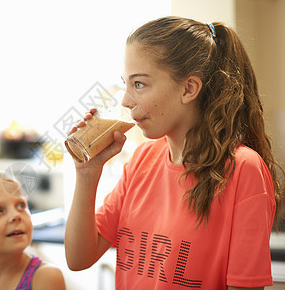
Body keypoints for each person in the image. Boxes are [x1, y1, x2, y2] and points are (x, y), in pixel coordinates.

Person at [65, 16, 284, 289]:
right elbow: (78, 258)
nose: (125, 100)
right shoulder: (142, 160)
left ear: (188, 89)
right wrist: (86, 173)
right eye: (126, 83)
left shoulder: (242, 170)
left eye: (139, 84)